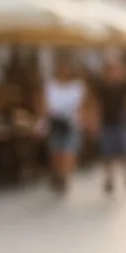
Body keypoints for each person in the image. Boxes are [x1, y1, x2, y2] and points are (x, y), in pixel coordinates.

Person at [41, 57, 89, 194]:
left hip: (71, 123)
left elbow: (82, 105)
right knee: (56, 151)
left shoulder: (78, 87)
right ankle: (57, 174)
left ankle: (65, 177)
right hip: (55, 122)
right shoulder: (50, 86)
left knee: (68, 151)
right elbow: (45, 105)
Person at [93, 51, 126, 193]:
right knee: (108, 154)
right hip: (107, 122)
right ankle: (109, 178)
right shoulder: (101, 87)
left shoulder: (125, 86)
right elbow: (97, 105)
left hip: (122, 122)